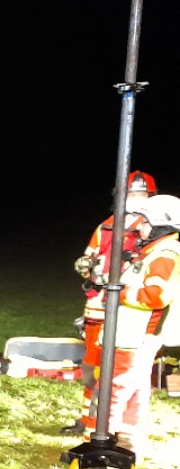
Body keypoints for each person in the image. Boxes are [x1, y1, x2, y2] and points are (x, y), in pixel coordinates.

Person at [62, 170, 156, 435]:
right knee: (91, 368)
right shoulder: (106, 226)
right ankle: (87, 420)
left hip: (129, 310)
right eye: (131, 194)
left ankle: (115, 426)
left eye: (141, 194)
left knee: (118, 373)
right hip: (98, 307)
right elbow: (89, 258)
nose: (136, 199)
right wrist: (88, 267)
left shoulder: (151, 230)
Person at [97, 192, 180, 451]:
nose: (140, 226)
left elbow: (155, 296)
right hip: (139, 335)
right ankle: (127, 438)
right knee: (136, 388)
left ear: (161, 224)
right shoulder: (157, 251)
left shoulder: (165, 254)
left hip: (135, 335)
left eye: (144, 221)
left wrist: (117, 291)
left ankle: (103, 438)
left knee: (115, 387)